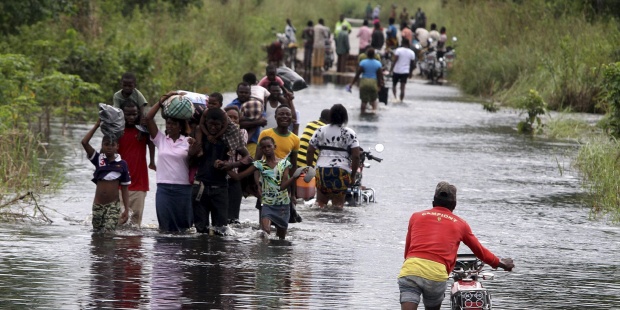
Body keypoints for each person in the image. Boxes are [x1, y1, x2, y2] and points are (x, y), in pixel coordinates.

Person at [398, 181, 515, 310]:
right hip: (436, 274)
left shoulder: (416, 217)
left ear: (433, 203)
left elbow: (408, 252)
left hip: (411, 269)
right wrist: (501, 263)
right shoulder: (460, 224)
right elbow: (480, 251)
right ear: (454, 205)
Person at [227, 136, 303, 239]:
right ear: (260, 149)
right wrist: (225, 168)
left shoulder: (284, 164)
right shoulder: (259, 165)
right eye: (263, 147)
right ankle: (263, 253)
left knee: (281, 238)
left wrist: (294, 177)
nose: (266, 149)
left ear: (274, 147)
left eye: (269, 146)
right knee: (265, 231)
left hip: (282, 205)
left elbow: (282, 186)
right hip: (267, 204)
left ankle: (277, 255)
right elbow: (238, 176)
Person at [145, 91, 193, 232]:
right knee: (165, 228)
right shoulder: (161, 140)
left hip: (183, 189)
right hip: (164, 189)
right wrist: (162, 101)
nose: (169, 126)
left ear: (180, 126)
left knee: (184, 228)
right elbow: (148, 118)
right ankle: (164, 254)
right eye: (168, 123)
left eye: (173, 124)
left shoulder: (188, 141)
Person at [189, 108, 238, 235]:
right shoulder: (200, 137)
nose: (213, 128)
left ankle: (218, 255)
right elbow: (189, 162)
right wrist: (192, 153)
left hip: (220, 188)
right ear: (206, 123)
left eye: (217, 125)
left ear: (223, 125)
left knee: (221, 230)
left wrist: (229, 164)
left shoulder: (228, 139)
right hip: (201, 187)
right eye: (211, 124)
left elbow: (248, 157)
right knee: (201, 230)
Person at [305, 104, 360, 209]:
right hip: (341, 171)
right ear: (345, 117)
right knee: (338, 206)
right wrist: (352, 176)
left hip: (322, 171)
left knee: (320, 203)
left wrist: (310, 168)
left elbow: (310, 151)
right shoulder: (349, 133)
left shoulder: (320, 130)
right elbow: (356, 156)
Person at [82, 120, 131, 231]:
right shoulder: (99, 159)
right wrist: (96, 125)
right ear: (102, 145)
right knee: (97, 233)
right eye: (106, 144)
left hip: (113, 206)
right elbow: (84, 142)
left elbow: (124, 188)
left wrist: (126, 210)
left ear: (117, 146)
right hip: (98, 205)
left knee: (109, 232)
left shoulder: (122, 164)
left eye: (112, 144)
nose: (109, 147)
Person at [117, 100, 156, 227]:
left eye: (134, 114)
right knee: (118, 221)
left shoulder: (143, 132)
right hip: (118, 183)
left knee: (135, 223)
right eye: (127, 115)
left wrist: (152, 161)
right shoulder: (117, 132)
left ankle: (134, 246)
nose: (131, 118)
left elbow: (152, 142)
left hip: (138, 183)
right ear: (121, 115)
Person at [227, 82, 267, 157]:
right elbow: (232, 124)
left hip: (252, 141)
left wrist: (243, 120)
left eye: (246, 92)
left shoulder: (257, 104)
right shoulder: (231, 106)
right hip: (235, 143)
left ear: (250, 93)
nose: (243, 94)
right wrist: (256, 121)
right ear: (237, 92)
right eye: (241, 92)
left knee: (252, 163)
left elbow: (263, 121)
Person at [224, 106, 248, 225]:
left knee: (233, 218)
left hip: (234, 177)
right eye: (230, 117)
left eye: (235, 118)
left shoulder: (242, 132)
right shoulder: (217, 132)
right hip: (219, 179)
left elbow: (237, 147)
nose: (233, 120)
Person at [348, 48, 384, 114]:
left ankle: (362, 113)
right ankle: (373, 112)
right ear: (374, 55)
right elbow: (380, 76)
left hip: (364, 83)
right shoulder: (378, 64)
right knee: (373, 100)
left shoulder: (363, 63)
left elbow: (357, 75)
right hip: (373, 83)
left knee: (363, 101)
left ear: (367, 55)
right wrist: (380, 85)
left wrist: (351, 84)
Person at [390, 38, 416, 103]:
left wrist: (391, 69)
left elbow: (394, 61)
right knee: (403, 87)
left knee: (394, 85)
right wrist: (410, 73)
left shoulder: (398, 50)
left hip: (396, 70)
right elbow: (412, 64)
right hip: (405, 71)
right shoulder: (411, 52)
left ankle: (395, 97)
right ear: (408, 44)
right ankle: (401, 100)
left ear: (402, 43)